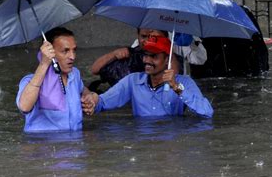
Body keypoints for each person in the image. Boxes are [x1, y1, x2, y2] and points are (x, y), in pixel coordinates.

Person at [82, 35, 214, 118]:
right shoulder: (133, 81)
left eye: (154, 56)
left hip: (173, 148)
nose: (147, 60)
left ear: (167, 59)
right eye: (145, 54)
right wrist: (94, 100)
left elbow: (207, 113)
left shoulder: (183, 82)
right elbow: (104, 102)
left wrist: (176, 87)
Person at [16, 27, 92, 132]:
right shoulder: (29, 81)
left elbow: (82, 89)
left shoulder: (75, 75)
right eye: (65, 51)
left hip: (75, 143)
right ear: (50, 53)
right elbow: (24, 107)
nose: (72, 57)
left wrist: (88, 96)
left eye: (74, 50)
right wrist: (44, 64)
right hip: (43, 144)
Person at [89, 29, 182, 91]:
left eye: (154, 38)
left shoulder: (172, 59)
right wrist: (114, 54)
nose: (148, 41)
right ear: (137, 36)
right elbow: (94, 69)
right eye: (144, 36)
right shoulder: (129, 56)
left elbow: (176, 76)